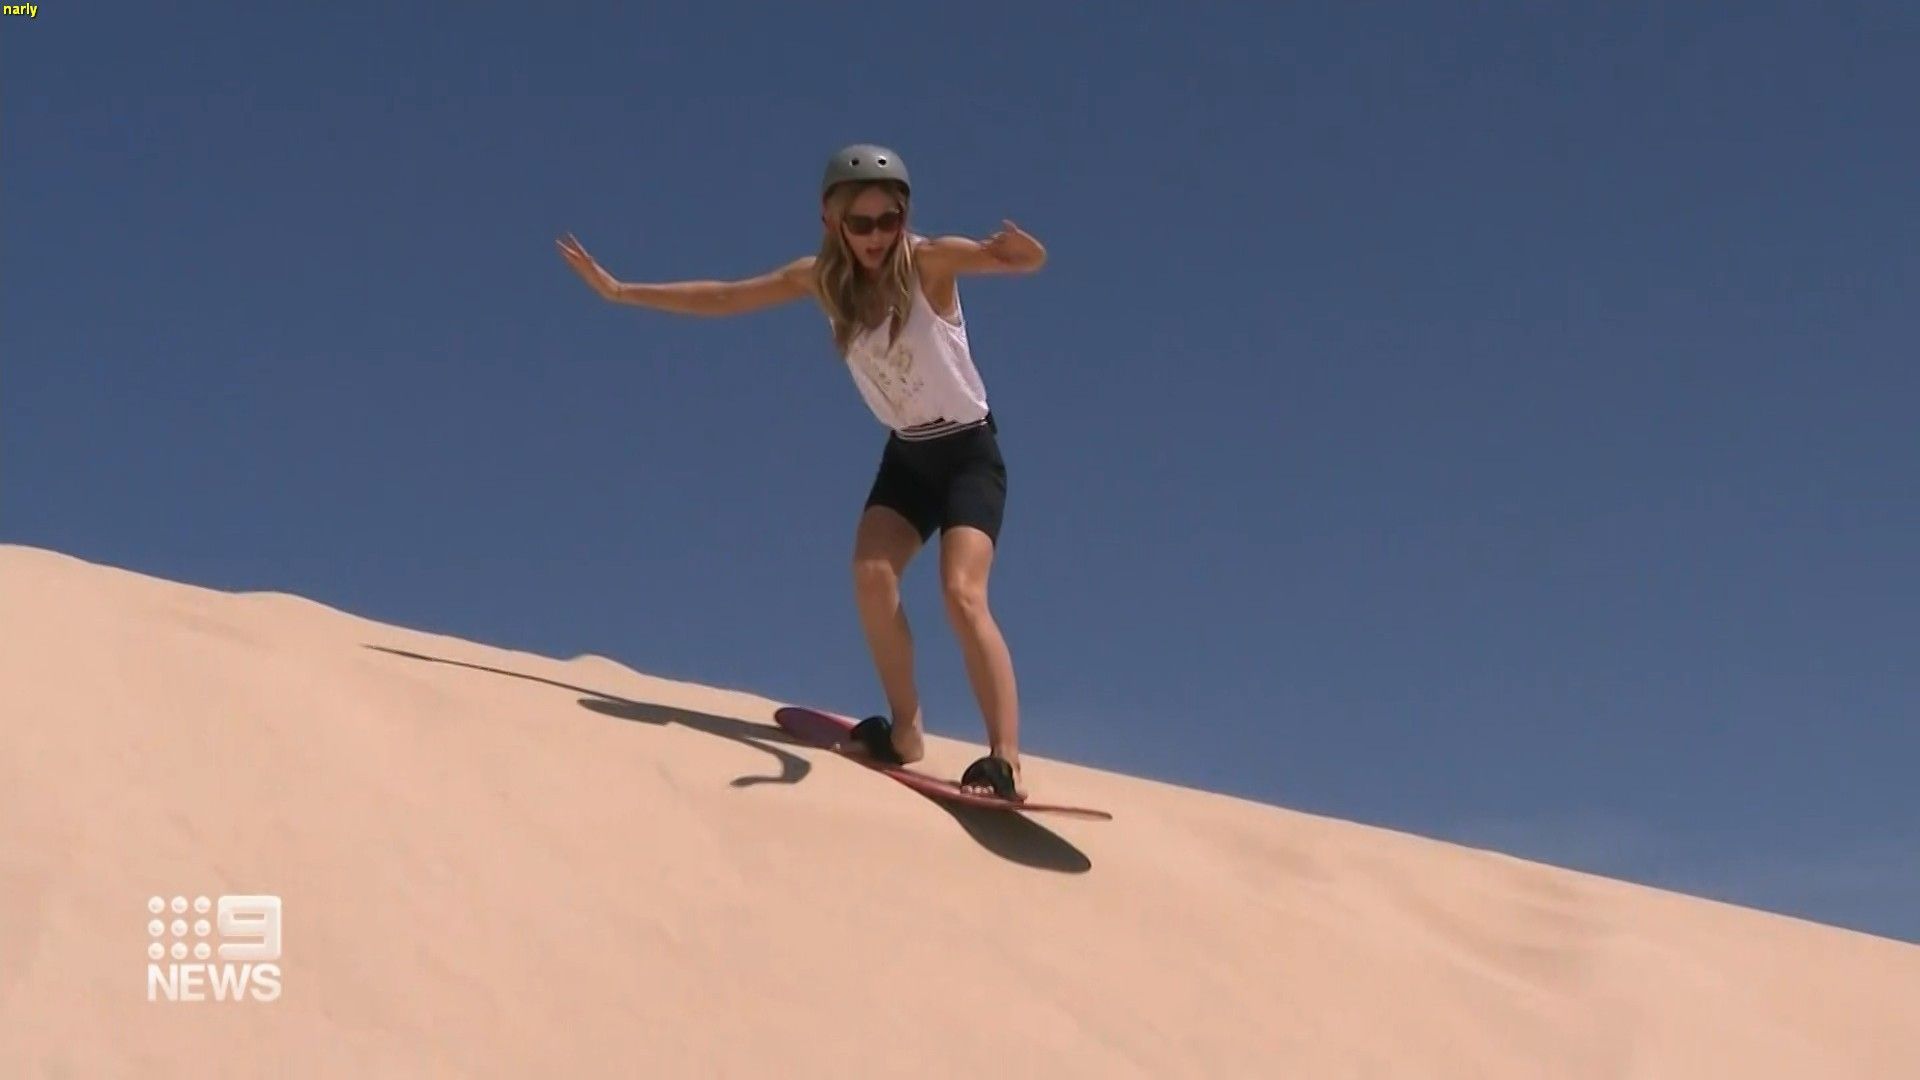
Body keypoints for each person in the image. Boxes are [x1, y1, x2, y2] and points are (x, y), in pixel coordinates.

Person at [556, 143, 1048, 800]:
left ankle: (1004, 761)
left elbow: (1013, 260)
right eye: (860, 222)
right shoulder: (821, 280)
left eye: (889, 220)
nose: (876, 236)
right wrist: (621, 291)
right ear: (831, 221)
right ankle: (905, 731)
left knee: (961, 595)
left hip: (968, 454)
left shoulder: (929, 263)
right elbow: (725, 297)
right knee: (871, 575)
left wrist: (1024, 254)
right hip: (908, 456)